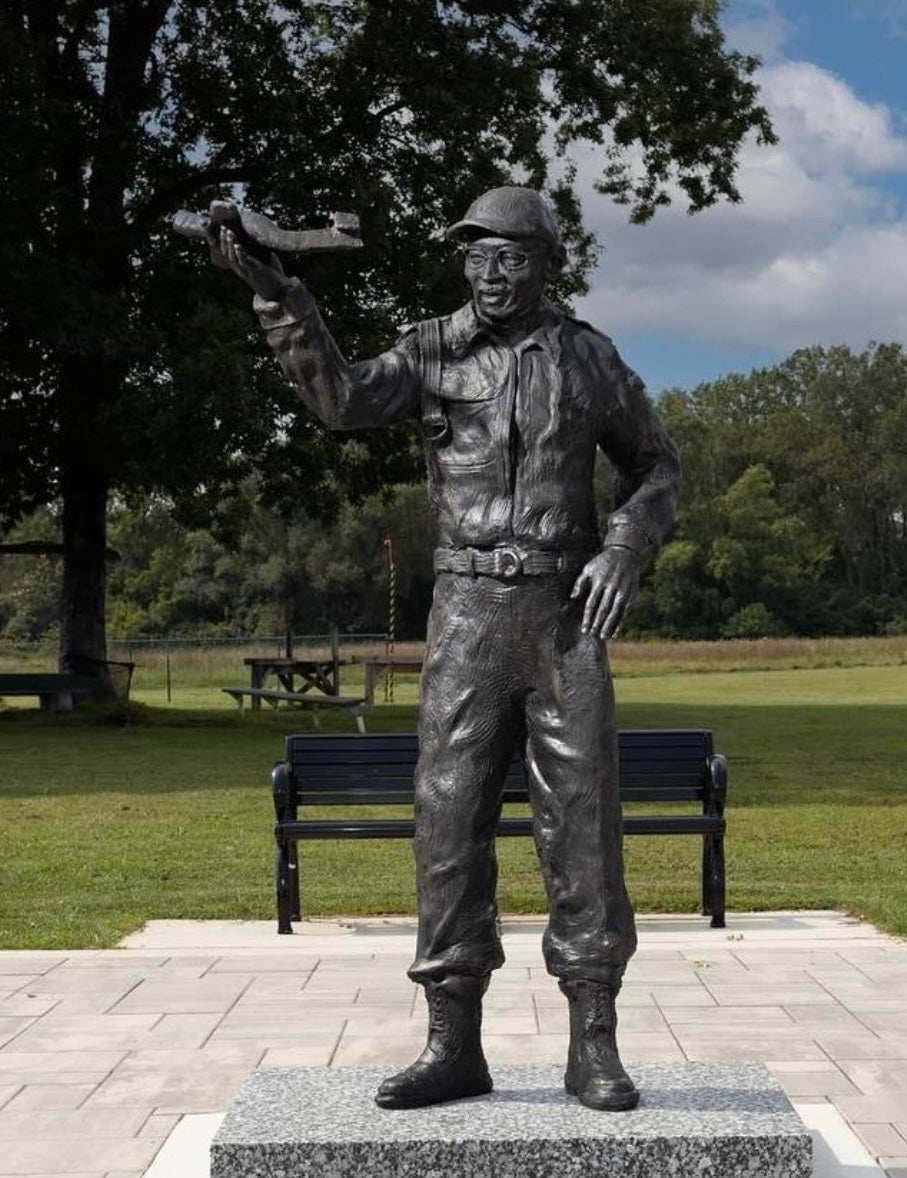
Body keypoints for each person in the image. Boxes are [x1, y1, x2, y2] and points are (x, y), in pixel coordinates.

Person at [209, 186, 679, 1112]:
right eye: (476, 256)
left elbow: (655, 463)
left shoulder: (587, 360)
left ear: (547, 262)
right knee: (447, 822)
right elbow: (340, 399)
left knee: (582, 822)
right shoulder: (431, 350)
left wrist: (626, 545)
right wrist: (277, 294)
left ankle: (594, 1040)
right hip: (465, 613)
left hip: (562, 619)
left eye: (509, 256)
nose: (491, 273)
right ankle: (452, 1043)